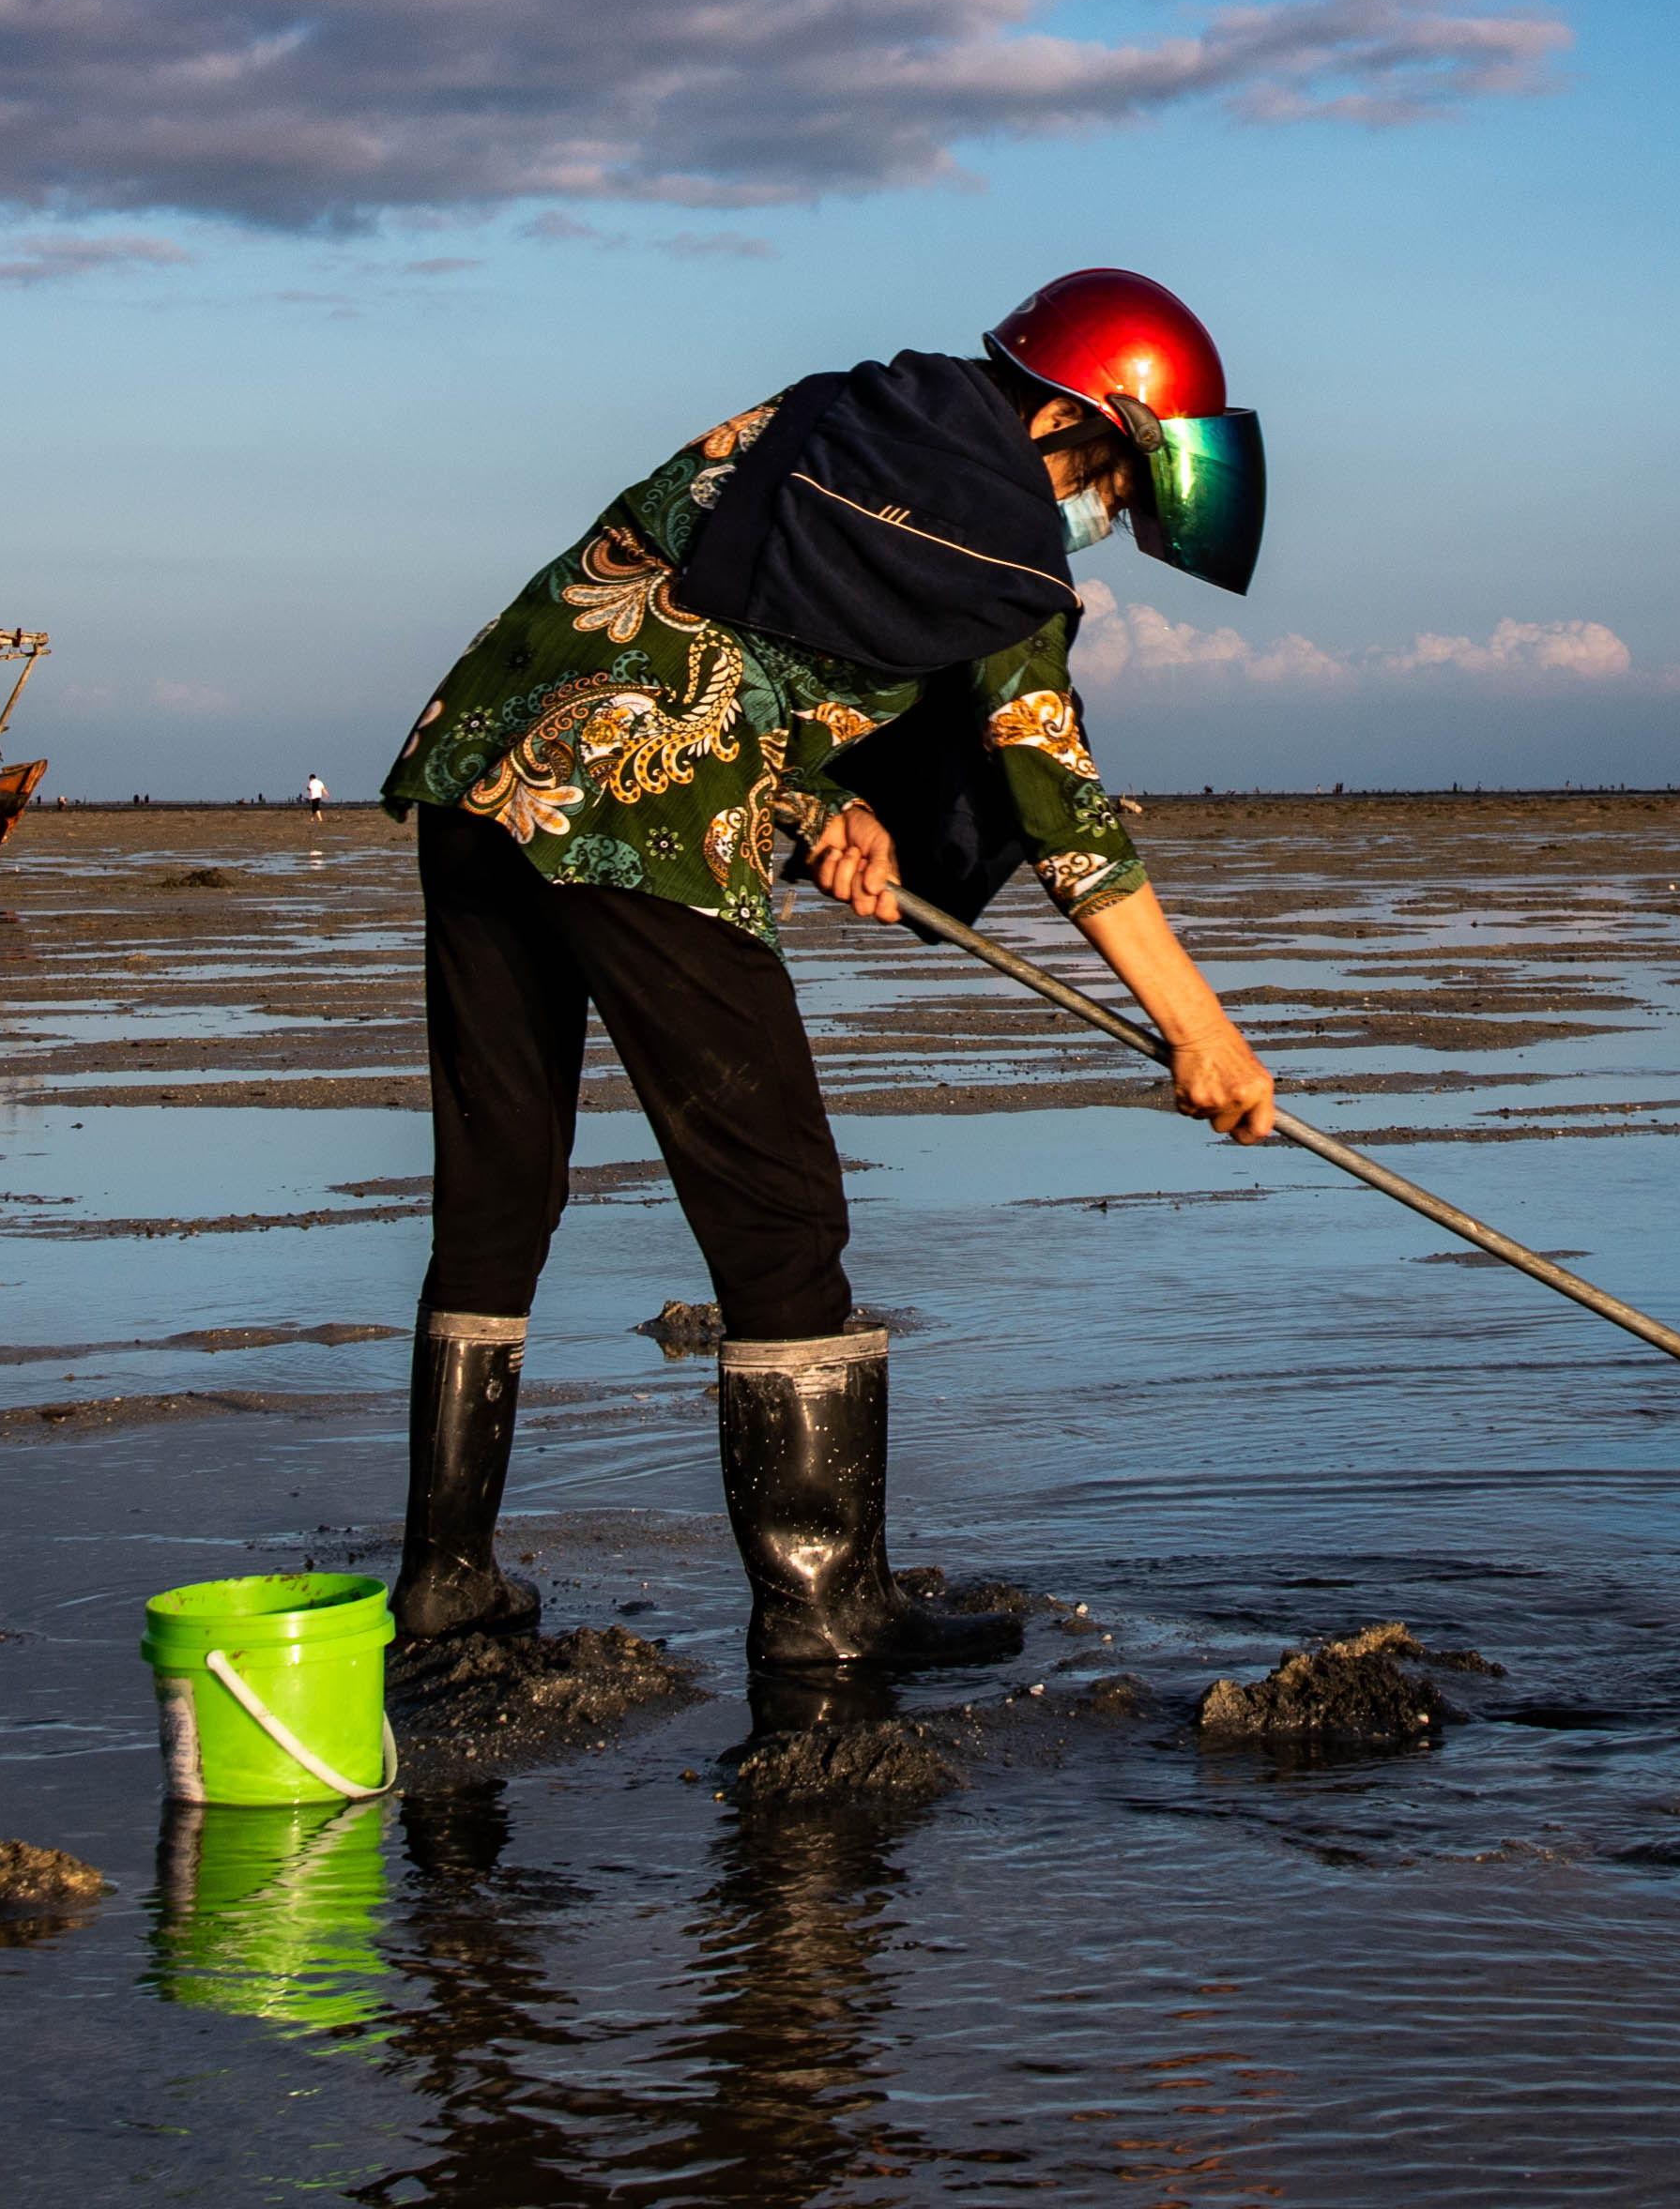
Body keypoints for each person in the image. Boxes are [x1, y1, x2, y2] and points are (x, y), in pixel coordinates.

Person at [374, 269, 1279, 1673]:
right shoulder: (1005, 546)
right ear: (1071, 421)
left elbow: (709, 621)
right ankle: (821, 1611)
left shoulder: (827, 420)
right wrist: (1204, 1037)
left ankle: (443, 1581)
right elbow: (1067, 816)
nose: (1102, 518)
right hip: (651, 828)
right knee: (781, 1219)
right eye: (1113, 477)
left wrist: (821, 806)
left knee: (498, 1187)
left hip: (484, 777)